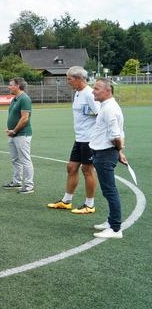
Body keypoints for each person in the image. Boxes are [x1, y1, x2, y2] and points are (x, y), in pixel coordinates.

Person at [47, 66, 100, 213]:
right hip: (80, 138)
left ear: (78, 78)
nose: (67, 82)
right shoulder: (77, 93)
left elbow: (100, 114)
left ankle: (89, 205)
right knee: (71, 168)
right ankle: (66, 201)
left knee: (87, 170)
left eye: (69, 79)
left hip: (89, 139)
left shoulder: (89, 94)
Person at [89, 79, 127, 239]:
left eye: (96, 88)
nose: (93, 91)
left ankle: (116, 228)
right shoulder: (107, 107)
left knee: (109, 191)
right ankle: (112, 221)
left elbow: (115, 135)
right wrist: (119, 152)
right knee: (108, 190)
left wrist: (118, 150)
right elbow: (118, 133)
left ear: (107, 91)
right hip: (104, 153)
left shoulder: (109, 109)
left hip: (105, 154)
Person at [3, 77, 34, 194]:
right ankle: (17, 181)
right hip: (14, 134)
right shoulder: (15, 99)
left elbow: (25, 118)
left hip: (22, 134)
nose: (9, 87)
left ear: (17, 86)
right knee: (15, 159)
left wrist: (14, 131)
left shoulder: (24, 99)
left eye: (11, 85)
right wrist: (10, 130)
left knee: (25, 160)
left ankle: (29, 185)